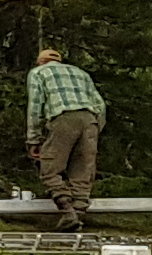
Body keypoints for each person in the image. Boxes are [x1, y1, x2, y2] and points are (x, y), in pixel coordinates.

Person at [26, 47, 106, 230]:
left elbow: (35, 107)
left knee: (50, 168)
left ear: (40, 61)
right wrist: (94, 129)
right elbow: (100, 105)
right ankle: (78, 214)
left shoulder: (39, 72)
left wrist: (34, 139)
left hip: (63, 118)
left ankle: (67, 210)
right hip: (90, 120)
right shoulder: (81, 73)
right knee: (82, 171)